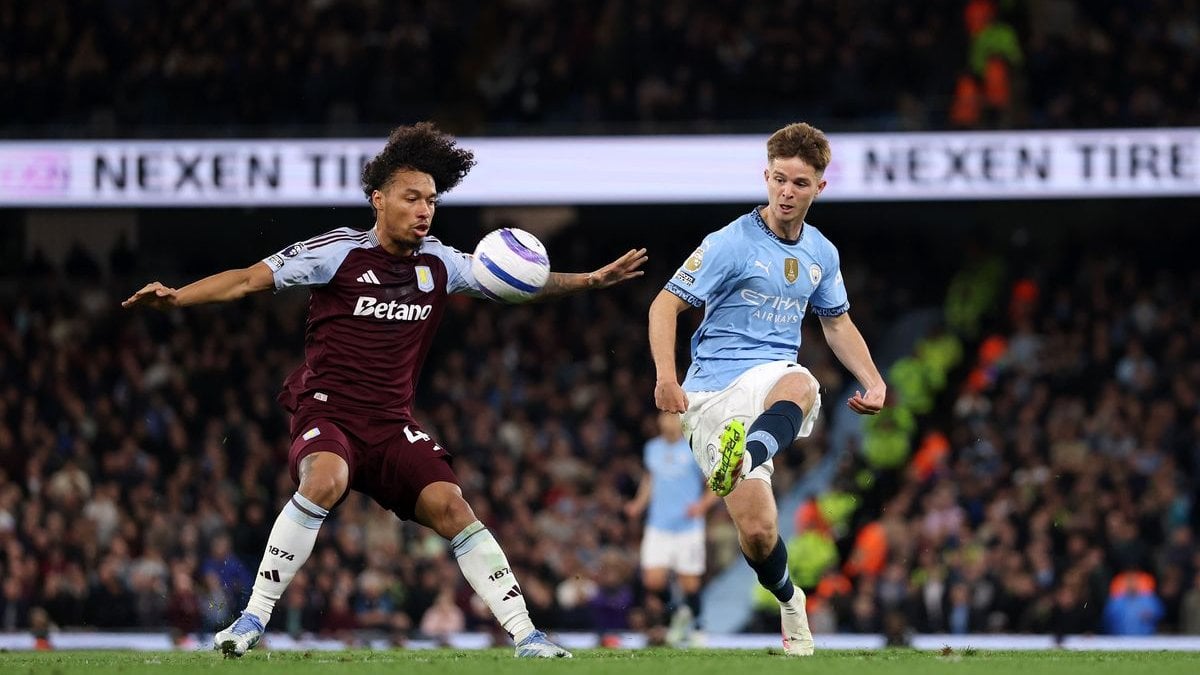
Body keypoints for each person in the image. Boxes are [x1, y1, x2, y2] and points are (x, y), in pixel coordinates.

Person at [122, 122, 648, 658]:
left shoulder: (440, 263)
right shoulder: (337, 253)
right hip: (328, 412)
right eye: (411, 198)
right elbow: (245, 279)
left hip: (392, 425)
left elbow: (517, 283)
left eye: (432, 201)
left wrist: (587, 280)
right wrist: (179, 297)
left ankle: (526, 636)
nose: (424, 210)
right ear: (378, 199)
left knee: (453, 507)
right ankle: (251, 619)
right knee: (324, 480)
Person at [647, 122, 886, 655]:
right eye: (779, 179)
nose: (786, 192)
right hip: (710, 393)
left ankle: (745, 454)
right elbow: (665, 304)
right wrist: (665, 376)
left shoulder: (822, 253)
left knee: (801, 382)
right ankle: (789, 597)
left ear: (819, 187)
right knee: (758, 532)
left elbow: (837, 323)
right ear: (766, 177)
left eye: (799, 183)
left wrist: (873, 380)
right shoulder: (730, 243)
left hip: (771, 376)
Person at [624, 411, 717, 646]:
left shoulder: (695, 448)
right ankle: (677, 612)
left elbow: (715, 481)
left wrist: (702, 505)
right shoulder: (652, 448)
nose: (668, 421)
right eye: (664, 416)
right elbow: (650, 480)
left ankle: (698, 626)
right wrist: (638, 504)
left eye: (673, 416)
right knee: (652, 580)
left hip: (687, 526)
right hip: (658, 525)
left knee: (690, 582)